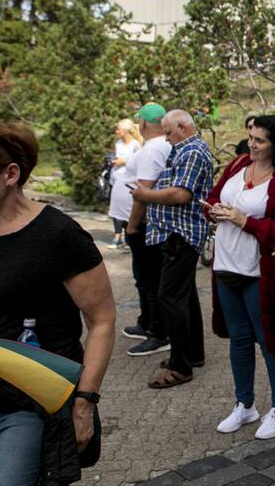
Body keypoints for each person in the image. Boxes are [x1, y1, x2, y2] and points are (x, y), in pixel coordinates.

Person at [0, 121, 116, 485]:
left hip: (33, 400)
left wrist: (85, 403)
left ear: (10, 174)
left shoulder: (58, 234)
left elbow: (103, 320)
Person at [204, 115, 275, 437]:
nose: (252, 144)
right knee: (238, 340)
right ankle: (245, 406)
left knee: (271, 340)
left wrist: (242, 220)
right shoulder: (237, 165)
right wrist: (212, 210)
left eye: (259, 140)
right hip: (226, 266)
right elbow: (213, 196)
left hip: (261, 273)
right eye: (251, 137)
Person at [132, 109, 214, 389]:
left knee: (170, 298)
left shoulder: (191, 151)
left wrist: (144, 195)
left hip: (181, 233)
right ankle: (193, 354)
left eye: (168, 133)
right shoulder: (186, 148)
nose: (166, 139)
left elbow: (181, 194)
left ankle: (181, 366)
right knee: (185, 295)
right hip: (176, 234)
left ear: (182, 127)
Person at [119, 103, 173, 357]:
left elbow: (143, 193)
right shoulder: (159, 145)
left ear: (142, 124)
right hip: (143, 224)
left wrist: (131, 226)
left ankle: (158, 332)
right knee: (144, 279)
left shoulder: (153, 149)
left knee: (149, 279)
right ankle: (147, 322)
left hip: (142, 224)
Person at [108, 118, 143, 249]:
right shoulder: (118, 143)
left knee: (128, 209)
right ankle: (117, 236)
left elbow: (139, 163)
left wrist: (124, 162)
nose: (116, 131)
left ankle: (130, 235)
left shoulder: (136, 145)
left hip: (128, 181)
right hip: (116, 178)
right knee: (115, 208)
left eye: (118, 128)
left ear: (126, 131)